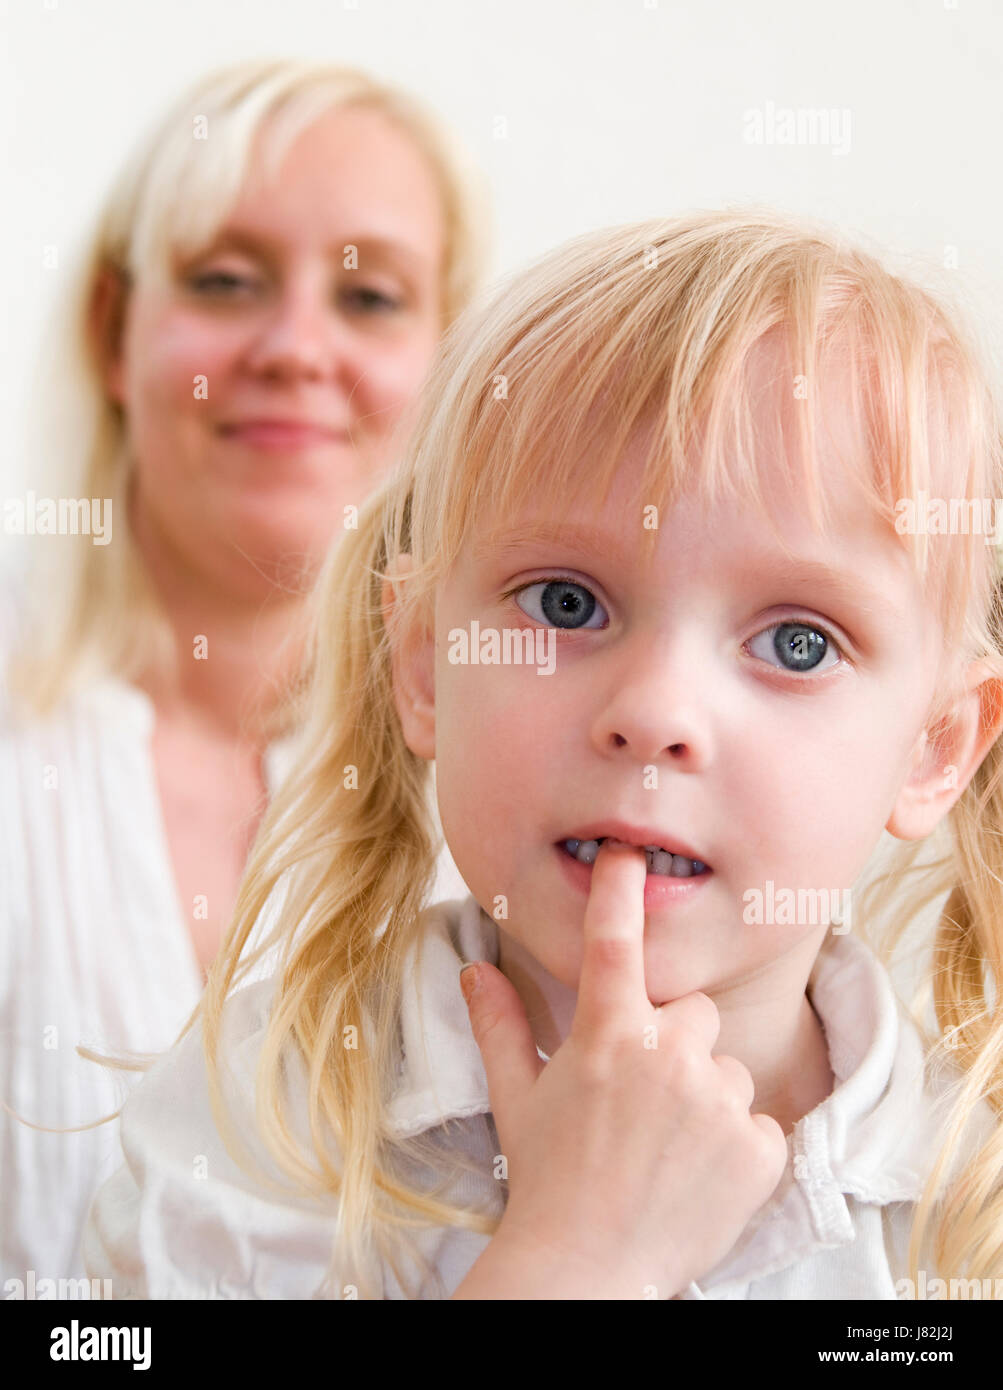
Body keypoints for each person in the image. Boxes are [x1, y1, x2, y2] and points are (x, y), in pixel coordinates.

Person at [84, 209, 1003, 1299]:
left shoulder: (964, 1217)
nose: (655, 711)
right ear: (423, 664)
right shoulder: (267, 1109)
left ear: (934, 748)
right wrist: (572, 1261)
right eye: (566, 601)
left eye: (796, 641)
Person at [1, 57, 487, 1285]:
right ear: (115, 331)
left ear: (445, 360)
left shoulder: (534, 783)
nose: (292, 347)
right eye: (225, 280)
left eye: (369, 297)